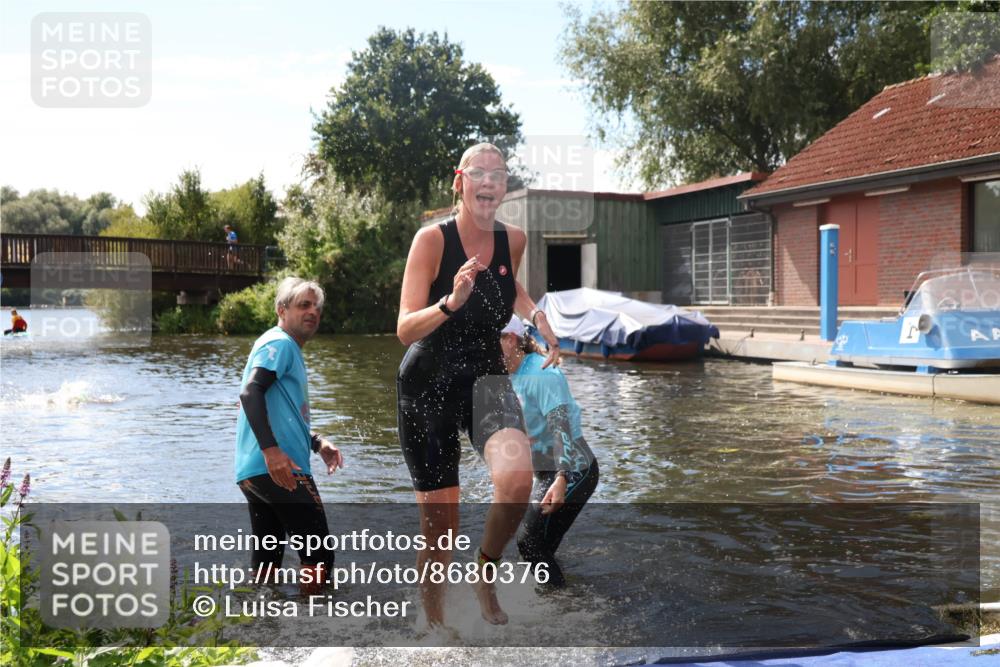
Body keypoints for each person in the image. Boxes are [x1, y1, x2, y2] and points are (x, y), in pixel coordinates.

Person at [396, 142, 561, 628]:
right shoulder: (432, 241)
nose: (489, 182)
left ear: (505, 185)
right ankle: (437, 628)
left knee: (516, 481)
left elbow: (512, 290)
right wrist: (450, 301)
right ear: (459, 181)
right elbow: (405, 327)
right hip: (428, 386)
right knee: (439, 533)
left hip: (487, 376)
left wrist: (535, 316)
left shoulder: (515, 239)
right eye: (478, 173)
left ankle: (484, 571)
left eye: (498, 173)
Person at [235, 276, 344, 595]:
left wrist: (316, 442)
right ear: (281, 310)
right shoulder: (280, 343)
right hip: (277, 467)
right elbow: (251, 393)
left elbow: (280, 410)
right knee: (319, 552)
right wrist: (272, 452)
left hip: (253, 471)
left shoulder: (280, 345)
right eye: (303, 305)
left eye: (316, 307)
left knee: (268, 554)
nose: (313, 312)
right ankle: (316, 625)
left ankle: (258, 626)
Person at [500, 316, 599, 588]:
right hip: (546, 470)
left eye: (488, 339)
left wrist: (562, 477)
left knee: (528, 542)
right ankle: (553, 593)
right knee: (540, 549)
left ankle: (564, 605)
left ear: (510, 340)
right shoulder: (506, 374)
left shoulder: (540, 373)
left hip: (573, 469)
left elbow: (560, 427)